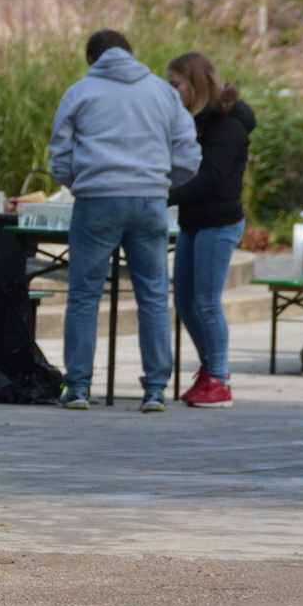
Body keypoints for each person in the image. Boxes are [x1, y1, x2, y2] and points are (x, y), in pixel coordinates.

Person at [47, 30, 201, 412]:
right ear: (131, 54)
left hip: (96, 202)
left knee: (84, 295)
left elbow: (60, 156)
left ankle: (79, 388)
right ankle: (155, 391)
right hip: (149, 201)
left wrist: (79, 182)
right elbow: (187, 152)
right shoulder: (162, 92)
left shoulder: (80, 92)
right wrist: (163, 184)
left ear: (92, 60)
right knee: (152, 295)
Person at [165, 53, 256, 408]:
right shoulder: (195, 120)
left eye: (176, 86)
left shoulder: (226, 122)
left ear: (194, 83)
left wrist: (163, 197)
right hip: (194, 221)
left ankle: (219, 379)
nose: (172, 93)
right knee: (186, 302)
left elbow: (211, 178)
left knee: (205, 302)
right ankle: (210, 370)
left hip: (219, 221)